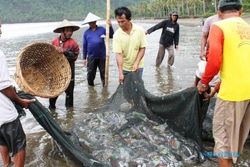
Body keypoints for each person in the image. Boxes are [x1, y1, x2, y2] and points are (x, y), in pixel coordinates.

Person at [197, 0, 250, 166]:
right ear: (241, 10)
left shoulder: (219, 26)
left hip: (232, 95)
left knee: (223, 143)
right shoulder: (248, 28)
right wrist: (217, 87)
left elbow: (214, 60)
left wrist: (204, 83)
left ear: (219, 12)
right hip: (247, 93)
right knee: (237, 140)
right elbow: (241, 65)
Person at [0, 20, 35, 167]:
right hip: (5, 113)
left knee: (2, 140)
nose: (0, 31)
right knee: (19, 145)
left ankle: (6, 165)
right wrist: (21, 101)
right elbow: (3, 87)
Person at [49, 19, 80, 109]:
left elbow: (74, 57)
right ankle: (52, 109)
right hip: (56, 72)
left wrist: (64, 51)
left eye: (71, 30)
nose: (70, 32)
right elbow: (50, 57)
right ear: (62, 31)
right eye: (67, 30)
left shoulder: (73, 43)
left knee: (69, 94)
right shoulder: (54, 42)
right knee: (53, 93)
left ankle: (69, 114)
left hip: (69, 71)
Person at [113, 7, 147, 84]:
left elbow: (142, 48)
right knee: (126, 90)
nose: (120, 24)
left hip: (138, 66)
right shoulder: (117, 35)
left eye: (123, 21)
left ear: (129, 19)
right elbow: (119, 55)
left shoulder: (139, 30)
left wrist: (136, 63)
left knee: (136, 87)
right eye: (118, 22)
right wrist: (120, 73)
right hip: (125, 68)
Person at [82, 12, 114, 86]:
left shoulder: (102, 29)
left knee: (103, 73)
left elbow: (111, 35)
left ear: (95, 21)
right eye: (90, 22)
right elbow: (84, 45)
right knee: (90, 74)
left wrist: (110, 26)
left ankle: (105, 89)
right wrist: (84, 58)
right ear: (88, 23)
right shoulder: (86, 33)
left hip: (102, 56)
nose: (91, 23)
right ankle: (91, 89)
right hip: (91, 57)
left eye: (93, 22)